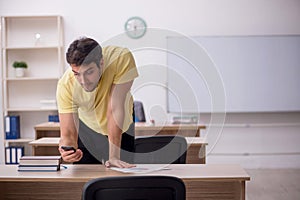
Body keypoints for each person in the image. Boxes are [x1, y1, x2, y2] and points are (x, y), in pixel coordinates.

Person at [56, 37, 138, 168]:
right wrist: (67, 150)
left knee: (123, 178)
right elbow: (68, 134)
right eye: (76, 74)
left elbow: (115, 107)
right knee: (85, 178)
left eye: (89, 72)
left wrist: (114, 156)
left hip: (122, 124)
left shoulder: (121, 58)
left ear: (101, 63)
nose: (83, 81)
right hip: (89, 126)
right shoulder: (66, 85)